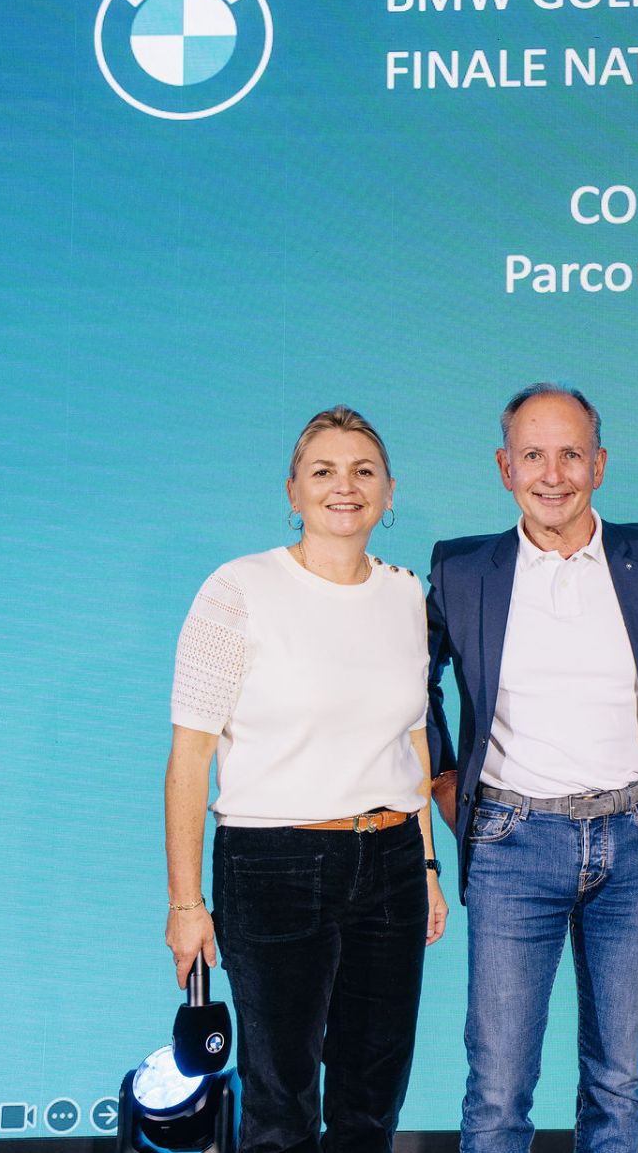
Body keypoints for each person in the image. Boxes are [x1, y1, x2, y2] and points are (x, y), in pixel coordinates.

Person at [164, 405, 446, 1153]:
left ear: (389, 491)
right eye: (323, 471)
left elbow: (410, 739)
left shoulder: (405, 593)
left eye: (363, 471)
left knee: (371, 1100)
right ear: (293, 491)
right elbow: (190, 756)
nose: (343, 486)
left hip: (390, 860)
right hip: (274, 863)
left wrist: (425, 863)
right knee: (281, 1102)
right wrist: (186, 903)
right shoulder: (238, 589)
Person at [424, 383, 638, 1153]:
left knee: (618, 1085)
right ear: (505, 467)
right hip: (513, 843)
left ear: (599, 464)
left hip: (636, 840)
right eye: (534, 455)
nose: (553, 474)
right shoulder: (462, 569)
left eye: (571, 454)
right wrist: (443, 777)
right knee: (499, 1090)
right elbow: (408, 681)